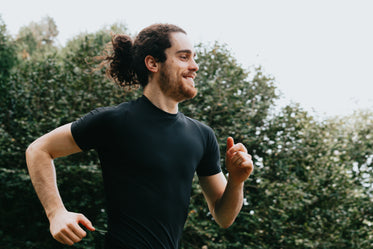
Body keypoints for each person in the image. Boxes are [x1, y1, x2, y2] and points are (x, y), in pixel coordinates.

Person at [25, 23, 254, 249]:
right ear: (153, 63)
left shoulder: (202, 135)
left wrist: (236, 180)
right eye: (184, 57)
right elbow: (39, 149)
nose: (194, 66)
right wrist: (56, 213)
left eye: (194, 58)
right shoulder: (114, 121)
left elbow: (223, 217)